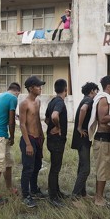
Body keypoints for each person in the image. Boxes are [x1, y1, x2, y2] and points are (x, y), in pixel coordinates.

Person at [88, 75, 110, 207]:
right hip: (102, 139)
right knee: (102, 170)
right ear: (108, 87)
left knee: (104, 170)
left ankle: (99, 195)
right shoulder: (103, 99)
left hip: (106, 139)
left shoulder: (106, 98)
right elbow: (103, 119)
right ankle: (99, 198)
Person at [0, 82, 21, 204]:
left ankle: (9, 187)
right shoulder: (12, 98)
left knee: (8, 163)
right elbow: (11, 121)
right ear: (17, 92)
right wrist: (12, 136)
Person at [19, 76, 47, 208]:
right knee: (28, 168)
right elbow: (23, 125)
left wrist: (41, 135)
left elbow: (37, 120)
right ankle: (25, 195)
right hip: (28, 139)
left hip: (37, 138)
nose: (40, 88)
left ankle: (34, 190)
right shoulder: (25, 103)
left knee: (37, 166)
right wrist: (28, 144)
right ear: (31, 88)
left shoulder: (38, 102)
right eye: (38, 86)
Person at [71, 82, 99, 200]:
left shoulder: (85, 99)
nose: (97, 93)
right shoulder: (88, 100)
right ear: (92, 91)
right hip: (82, 138)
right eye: (96, 91)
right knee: (86, 169)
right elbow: (83, 109)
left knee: (81, 166)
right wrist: (79, 127)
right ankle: (75, 196)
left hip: (82, 138)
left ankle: (82, 193)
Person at [45, 79, 69, 207]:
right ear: (66, 88)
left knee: (56, 167)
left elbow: (47, 119)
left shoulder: (52, 101)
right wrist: (58, 127)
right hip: (57, 141)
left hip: (51, 139)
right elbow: (54, 116)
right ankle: (53, 197)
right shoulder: (59, 102)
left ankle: (57, 192)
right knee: (55, 168)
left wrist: (51, 128)